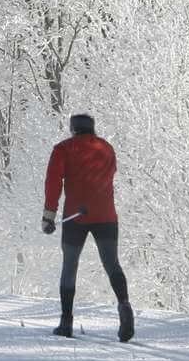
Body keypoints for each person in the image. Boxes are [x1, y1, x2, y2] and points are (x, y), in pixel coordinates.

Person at [42, 113, 133, 342]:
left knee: (70, 264)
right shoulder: (107, 148)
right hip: (106, 216)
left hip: (76, 216)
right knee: (112, 263)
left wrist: (48, 216)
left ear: (73, 129)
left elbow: (53, 182)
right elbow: (110, 174)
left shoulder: (63, 149)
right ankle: (125, 307)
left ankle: (66, 321)